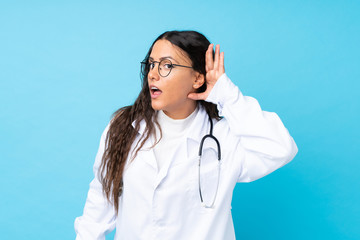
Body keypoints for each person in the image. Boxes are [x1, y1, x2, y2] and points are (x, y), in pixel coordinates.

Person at [74, 30, 298, 240]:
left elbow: (281, 148)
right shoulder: (123, 128)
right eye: (151, 64)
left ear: (198, 79)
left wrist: (226, 94)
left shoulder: (225, 138)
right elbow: (96, 212)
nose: (152, 74)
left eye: (167, 65)